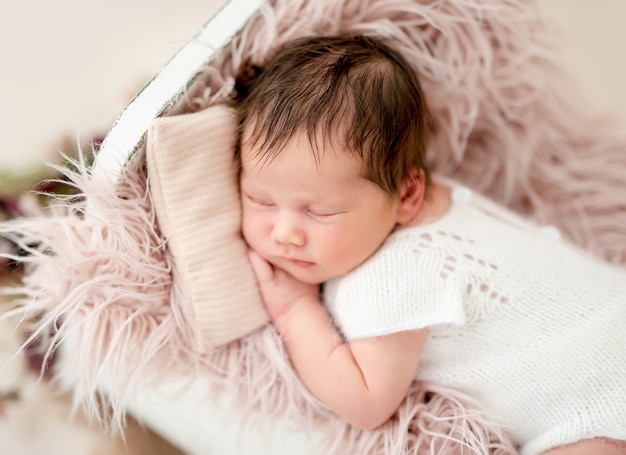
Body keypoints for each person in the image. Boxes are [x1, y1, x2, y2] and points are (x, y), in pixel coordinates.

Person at [234, 35, 626, 455]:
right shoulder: (423, 198)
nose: (284, 233)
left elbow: (367, 402)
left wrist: (294, 309)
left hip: (595, 402)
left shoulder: (393, 274)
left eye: (321, 212)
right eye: (261, 201)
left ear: (407, 196)